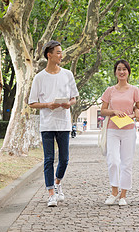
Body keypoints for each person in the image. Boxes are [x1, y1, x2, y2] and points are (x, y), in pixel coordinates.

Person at [28, 40, 79, 207]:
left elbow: (74, 98)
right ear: (49, 55)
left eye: (61, 52)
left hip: (64, 123)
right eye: (58, 52)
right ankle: (51, 193)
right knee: (48, 159)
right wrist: (48, 105)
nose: (61, 55)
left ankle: (57, 183)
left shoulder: (67, 75)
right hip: (47, 124)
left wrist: (68, 104)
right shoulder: (39, 78)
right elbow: (32, 103)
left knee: (64, 159)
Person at [100, 60, 139, 206]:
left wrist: (136, 112)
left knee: (126, 163)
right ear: (115, 72)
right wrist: (114, 111)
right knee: (113, 161)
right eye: (119, 69)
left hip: (128, 130)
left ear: (128, 72)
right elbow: (103, 110)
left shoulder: (134, 90)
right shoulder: (110, 90)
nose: (121, 72)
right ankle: (114, 191)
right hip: (112, 128)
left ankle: (123, 195)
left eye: (124, 69)